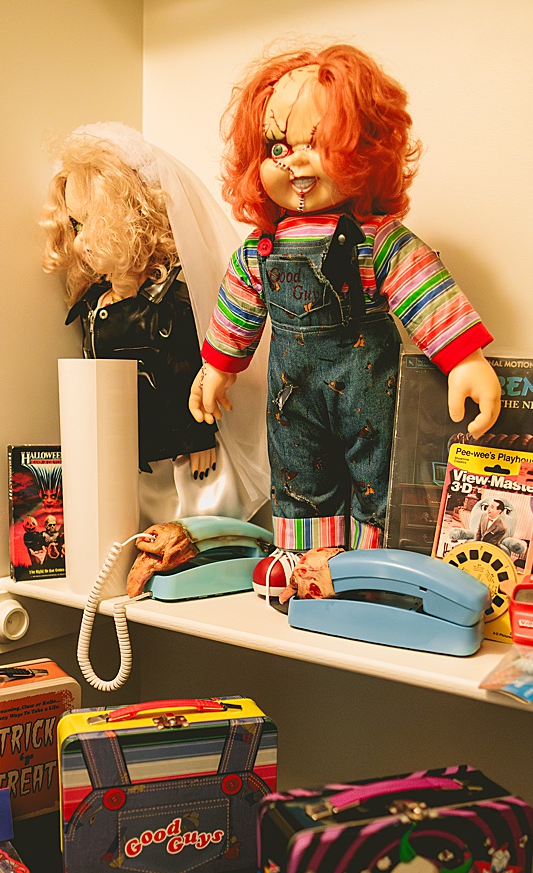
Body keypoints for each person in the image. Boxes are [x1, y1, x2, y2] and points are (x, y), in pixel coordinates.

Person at [189, 45, 501, 561]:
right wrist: (218, 365)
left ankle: (372, 565)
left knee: (378, 473)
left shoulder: (373, 239)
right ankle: (307, 564)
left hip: (368, 387)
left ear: (366, 151)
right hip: (292, 397)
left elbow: (422, 286)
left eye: (322, 144)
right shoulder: (262, 246)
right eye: (277, 148)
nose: (296, 163)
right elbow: (238, 304)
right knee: (297, 473)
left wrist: (463, 357)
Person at [42, 122, 268, 525]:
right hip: (130, 443)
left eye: (93, 222)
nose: (80, 241)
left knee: (186, 511)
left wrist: (200, 434)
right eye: (76, 225)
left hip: (179, 444)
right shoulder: (96, 302)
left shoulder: (170, 302)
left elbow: (189, 368)